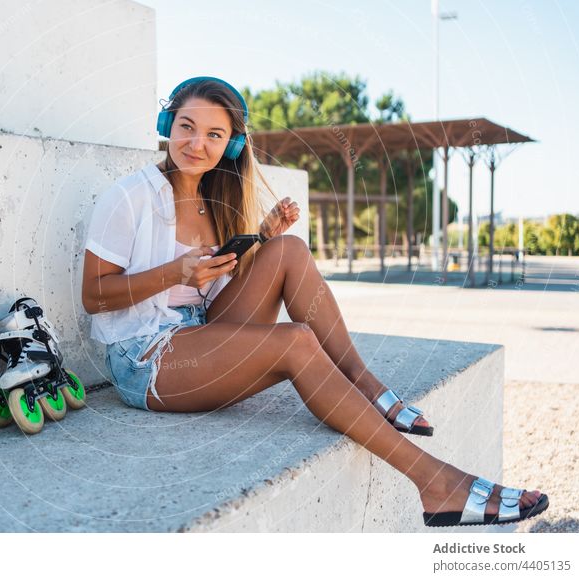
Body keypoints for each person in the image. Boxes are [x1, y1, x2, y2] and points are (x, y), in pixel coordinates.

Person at [81, 76, 548, 528]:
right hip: (143, 357)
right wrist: (176, 272)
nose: (196, 143)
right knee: (297, 343)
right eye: (186, 126)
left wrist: (258, 241)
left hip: (196, 334)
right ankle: (436, 482)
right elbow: (93, 296)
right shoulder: (128, 198)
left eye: (213, 134)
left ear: (232, 145)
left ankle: (365, 383)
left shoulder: (212, 200)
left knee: (289, 250)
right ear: (167, 127)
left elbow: (211, 295)